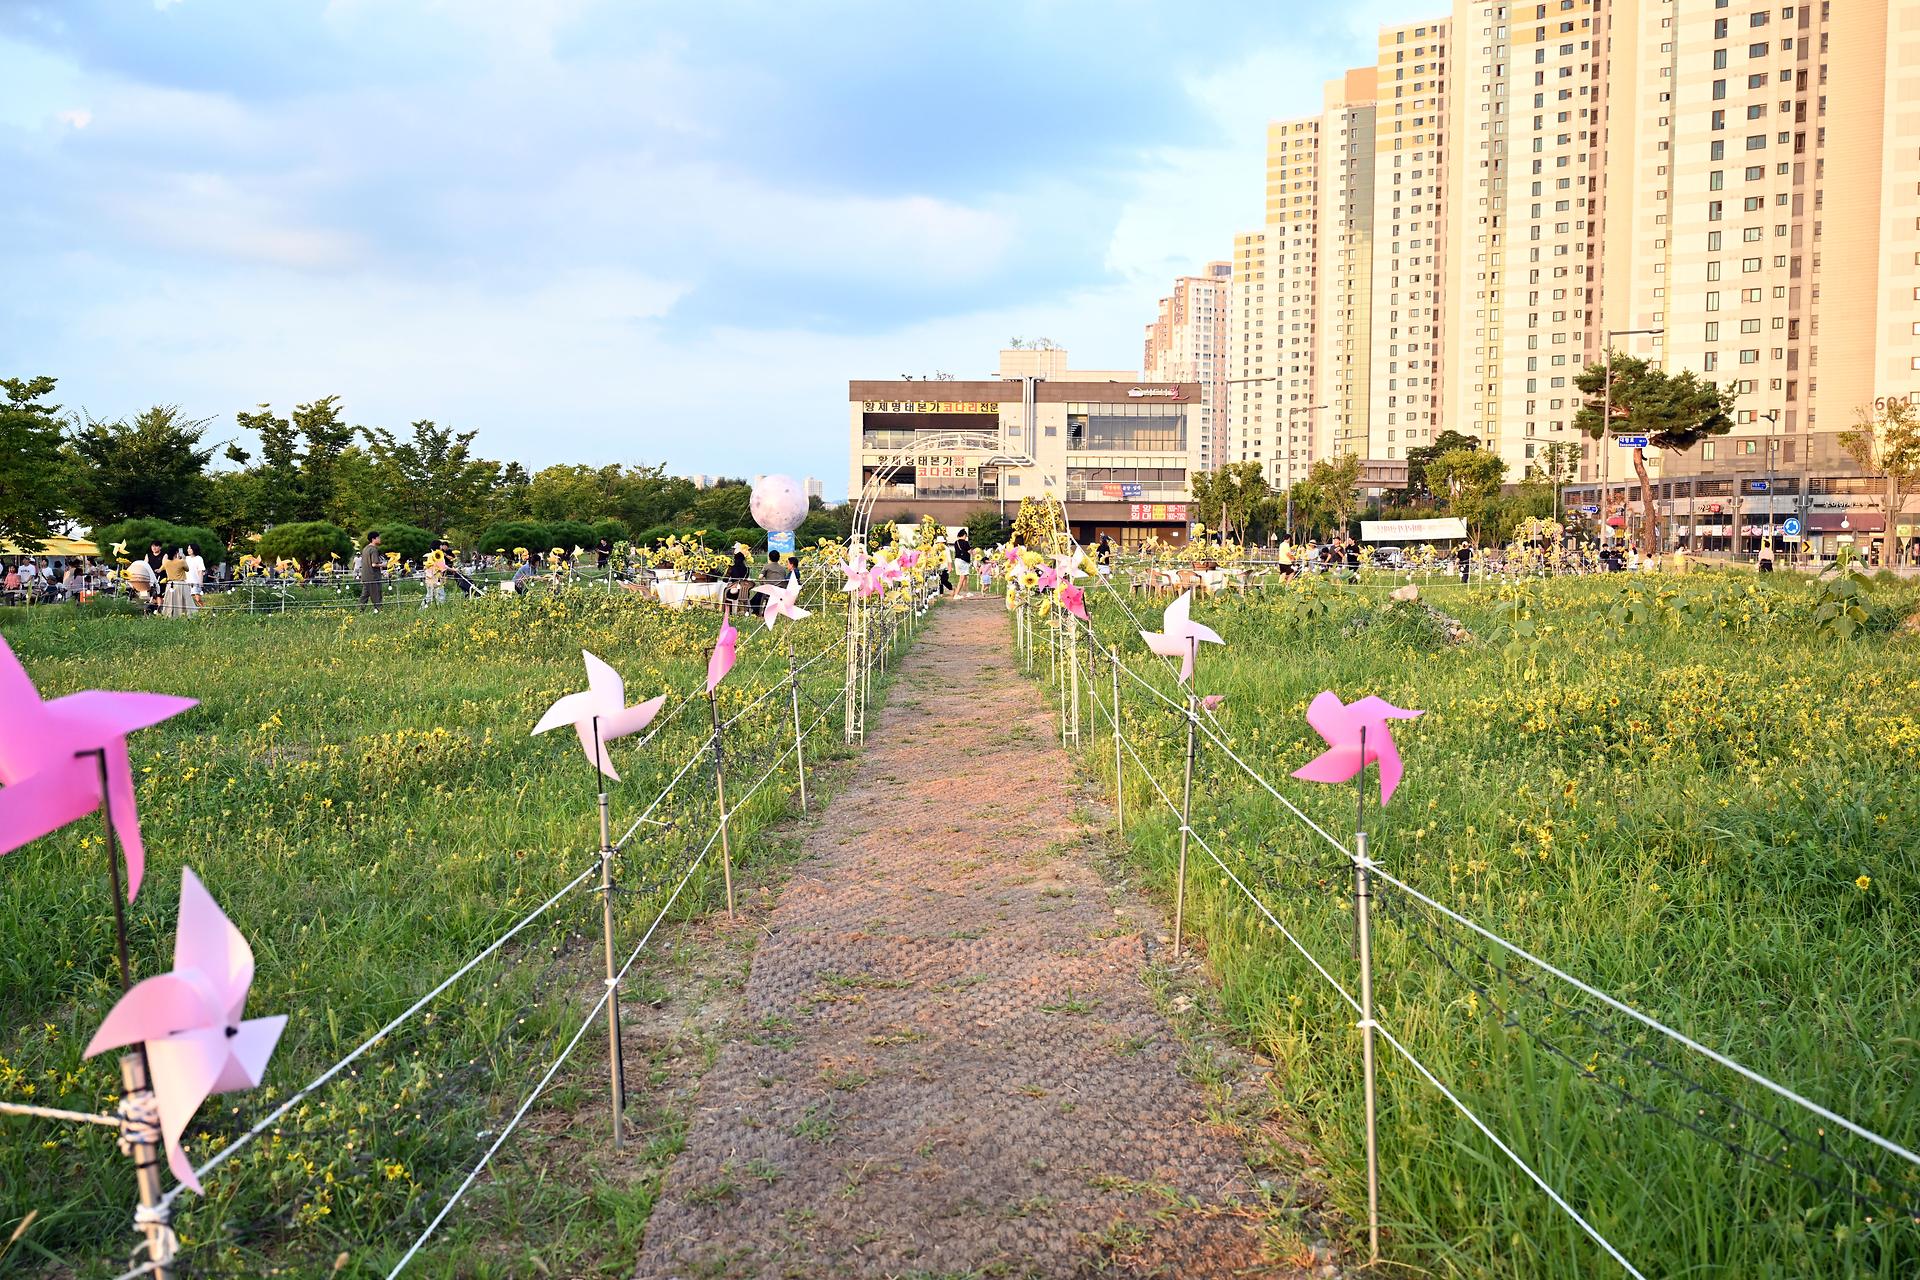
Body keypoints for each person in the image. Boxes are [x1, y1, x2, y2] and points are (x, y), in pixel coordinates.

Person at [357, 532, 384, 609]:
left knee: (364, 596)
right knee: (377, 596)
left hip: (365, 576)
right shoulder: (373, 549)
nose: (380, 539)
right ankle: (379, 611)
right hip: (373, 577)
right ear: (373, 539)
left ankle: (359, 610)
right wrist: (386, 565)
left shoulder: (365, 549)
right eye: (378, 538)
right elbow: (374, 564)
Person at [723, 549, 751, 615]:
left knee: (725, 591)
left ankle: (728, 611)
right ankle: (745, 611)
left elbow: (725, 580)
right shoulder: (747, 569)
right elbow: (745, 580)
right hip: (745, 592)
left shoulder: (731, 568)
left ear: (734, 559)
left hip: (734, 593)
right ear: (743, 560)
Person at [952, 530, 972, 597]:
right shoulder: (966, 542)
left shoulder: (956, 542)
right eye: (966, 536)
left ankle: (967, 592)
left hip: (957, 561)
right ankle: (956, 594)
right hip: (963, 561)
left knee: (965, 577)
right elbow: (969, 551)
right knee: (962, 578)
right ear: (964, 535)